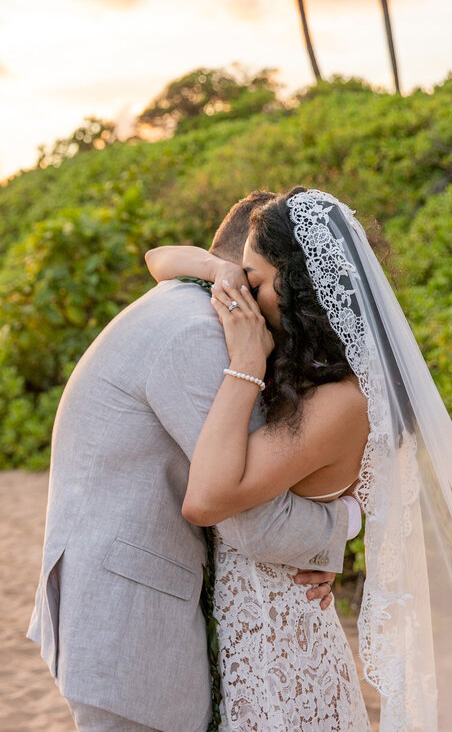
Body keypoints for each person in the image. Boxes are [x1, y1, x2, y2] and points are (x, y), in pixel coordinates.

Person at [149, 187, 452, 731]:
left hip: (281, 656)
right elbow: (160, 259)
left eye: (256, 281)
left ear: (296, 290)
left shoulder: (341, 401)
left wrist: (247, 360)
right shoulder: (316, 372)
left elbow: (205, 500)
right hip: (248, 641)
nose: (241, 294)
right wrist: (221, 271)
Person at [26, 190, 362, 732]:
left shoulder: (179, 308)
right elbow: (252, 523)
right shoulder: (201, 335)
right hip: (130, 627)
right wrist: (345, 524)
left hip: (138, 611)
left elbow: (163, 258)